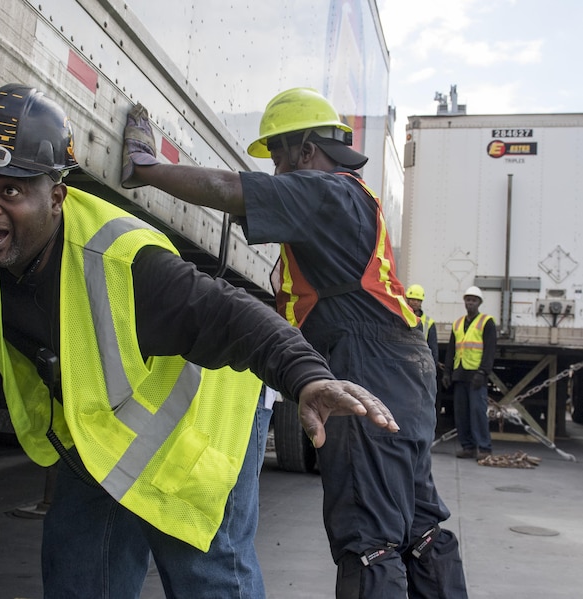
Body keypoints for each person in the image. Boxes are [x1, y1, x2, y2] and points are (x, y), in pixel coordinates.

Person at [0, 84, 400, 599]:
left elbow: (232, 316)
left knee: (211, 583)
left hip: (193, 441)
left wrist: (307, 377)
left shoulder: (123, 264)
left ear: (58, 195)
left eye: (11, 191)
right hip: (98, 442)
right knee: (78, 584)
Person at [121, 88, 468, 598]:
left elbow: (228, 189)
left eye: (281, 157)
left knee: (366, 535)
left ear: (307, 149)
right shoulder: (344, 204)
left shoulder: (327, 191)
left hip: (366, 361)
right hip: (396, 363)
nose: (278, 172)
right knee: (419, 525)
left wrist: (146, 168)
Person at [442, 285, 497, 459]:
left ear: (479, 302)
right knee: (461, 413)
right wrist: (447, 372)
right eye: (468, 300)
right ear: (464, 302)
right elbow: (452, 349)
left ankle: (484, 448)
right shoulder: (457, 324)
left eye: (473, 300)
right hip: (460, 374)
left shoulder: (486, 322)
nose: (470, 303)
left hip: (476, 375)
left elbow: (489, 350)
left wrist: (483, 372)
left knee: (478, 412)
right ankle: (468, 447)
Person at [405, 283, 439, 366]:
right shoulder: (401, 318)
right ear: (407, 300)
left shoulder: (429, 322)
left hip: (421, 364)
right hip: (404, 362)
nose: (415, 302)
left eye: (418, 300)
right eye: (412, 299)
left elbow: (433, 349)